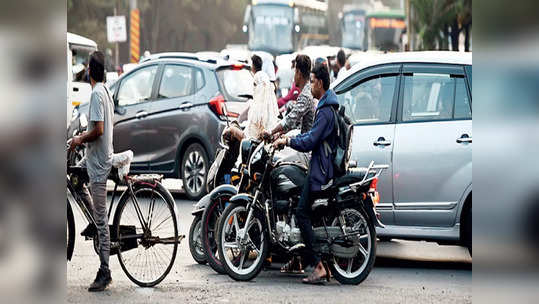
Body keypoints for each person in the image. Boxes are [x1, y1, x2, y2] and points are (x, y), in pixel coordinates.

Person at [273, 63, 338, 284]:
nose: (310, 85)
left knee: (301, 213)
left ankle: (317, 266)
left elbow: (310, 139)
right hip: (319, 165)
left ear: (320, 83)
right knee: (297, 205)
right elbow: (310, 135)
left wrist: (287, 140)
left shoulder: (326, 110)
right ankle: (299, 258)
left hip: (320, 170)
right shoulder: (326, 105)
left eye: (312, 81)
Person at [69, 51, 114, 292]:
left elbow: (98, 130)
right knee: (75, 178)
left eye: (87, 68)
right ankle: (91, 218)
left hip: (98, 163)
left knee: (102, 219)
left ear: (90, 72)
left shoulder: (97, 93)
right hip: (94, 157)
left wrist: (78, 139)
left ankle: (105, 271)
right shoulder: (105, 90)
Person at [228, 54, 279, 142]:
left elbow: (248, 138)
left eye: (255, 84)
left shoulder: (258, 112)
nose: (254, 88)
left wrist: (233, 130)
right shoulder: (271, 110)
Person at [265, 54, 314, 138]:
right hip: (304, 139)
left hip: (307, 145)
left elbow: (291, 119)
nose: (294, 75)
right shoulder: (308, 90)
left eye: (295, 71)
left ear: (298, 73)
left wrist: (271, 131)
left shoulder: (306, 95)